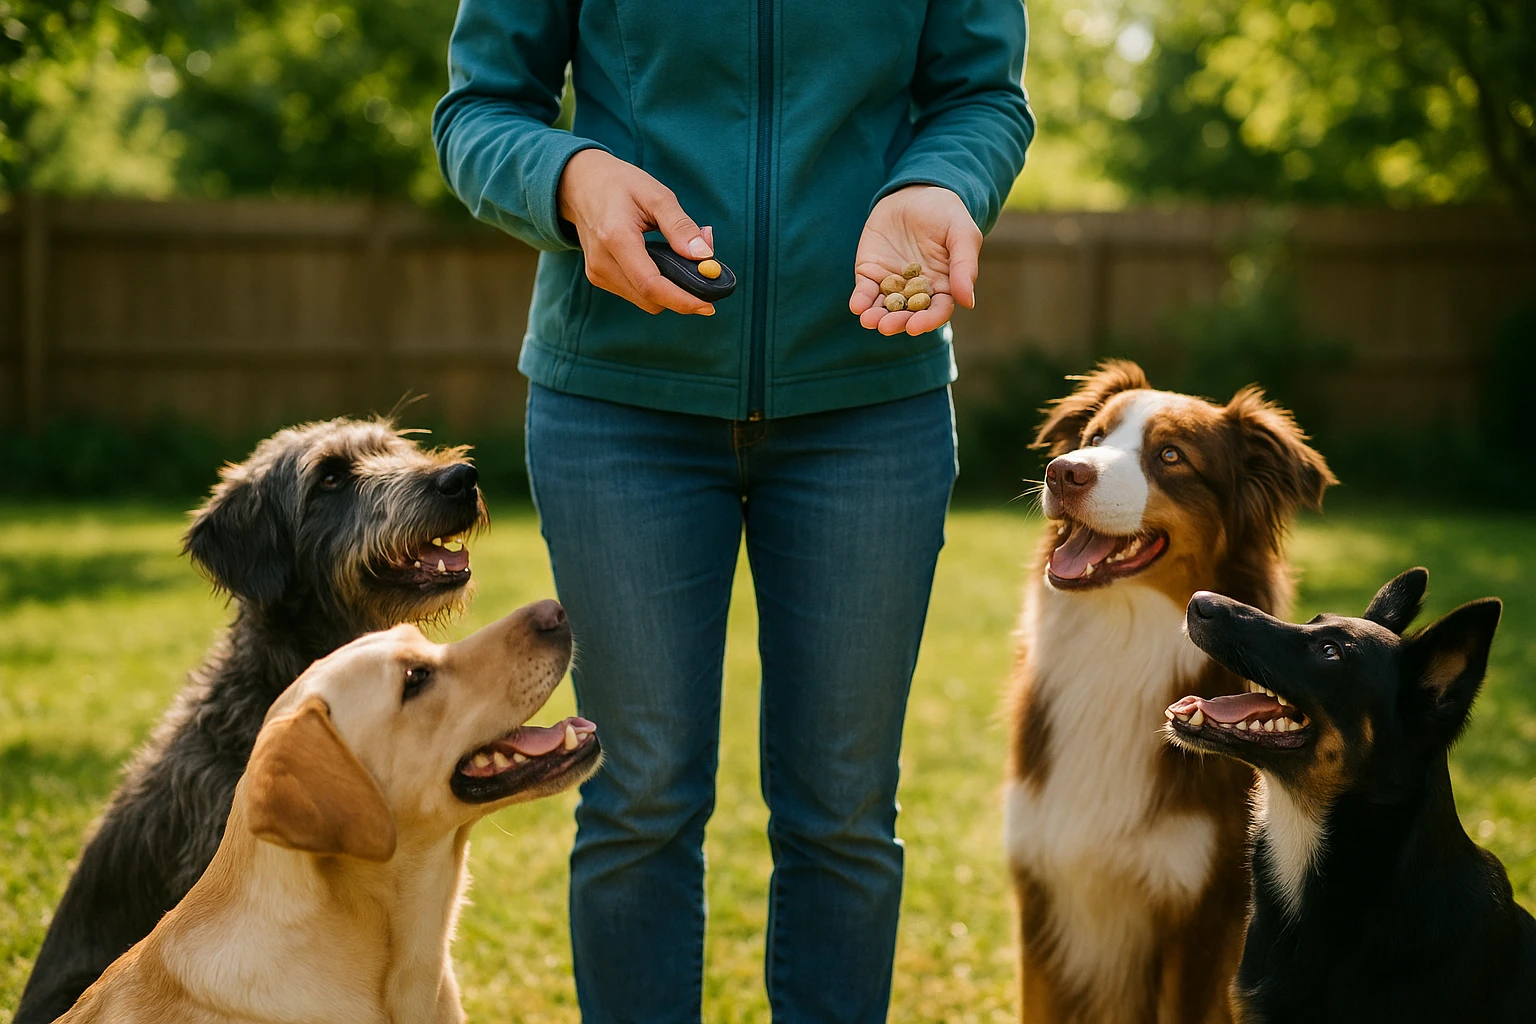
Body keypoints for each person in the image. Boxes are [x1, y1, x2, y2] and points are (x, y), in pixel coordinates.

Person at [433, 3, 1032, 1020]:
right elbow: (481, 109)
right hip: (618, 404)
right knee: (639, 799)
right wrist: (572, 181)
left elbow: (981, 95)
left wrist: (938, 181)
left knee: (845, 814)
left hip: (867, 404)